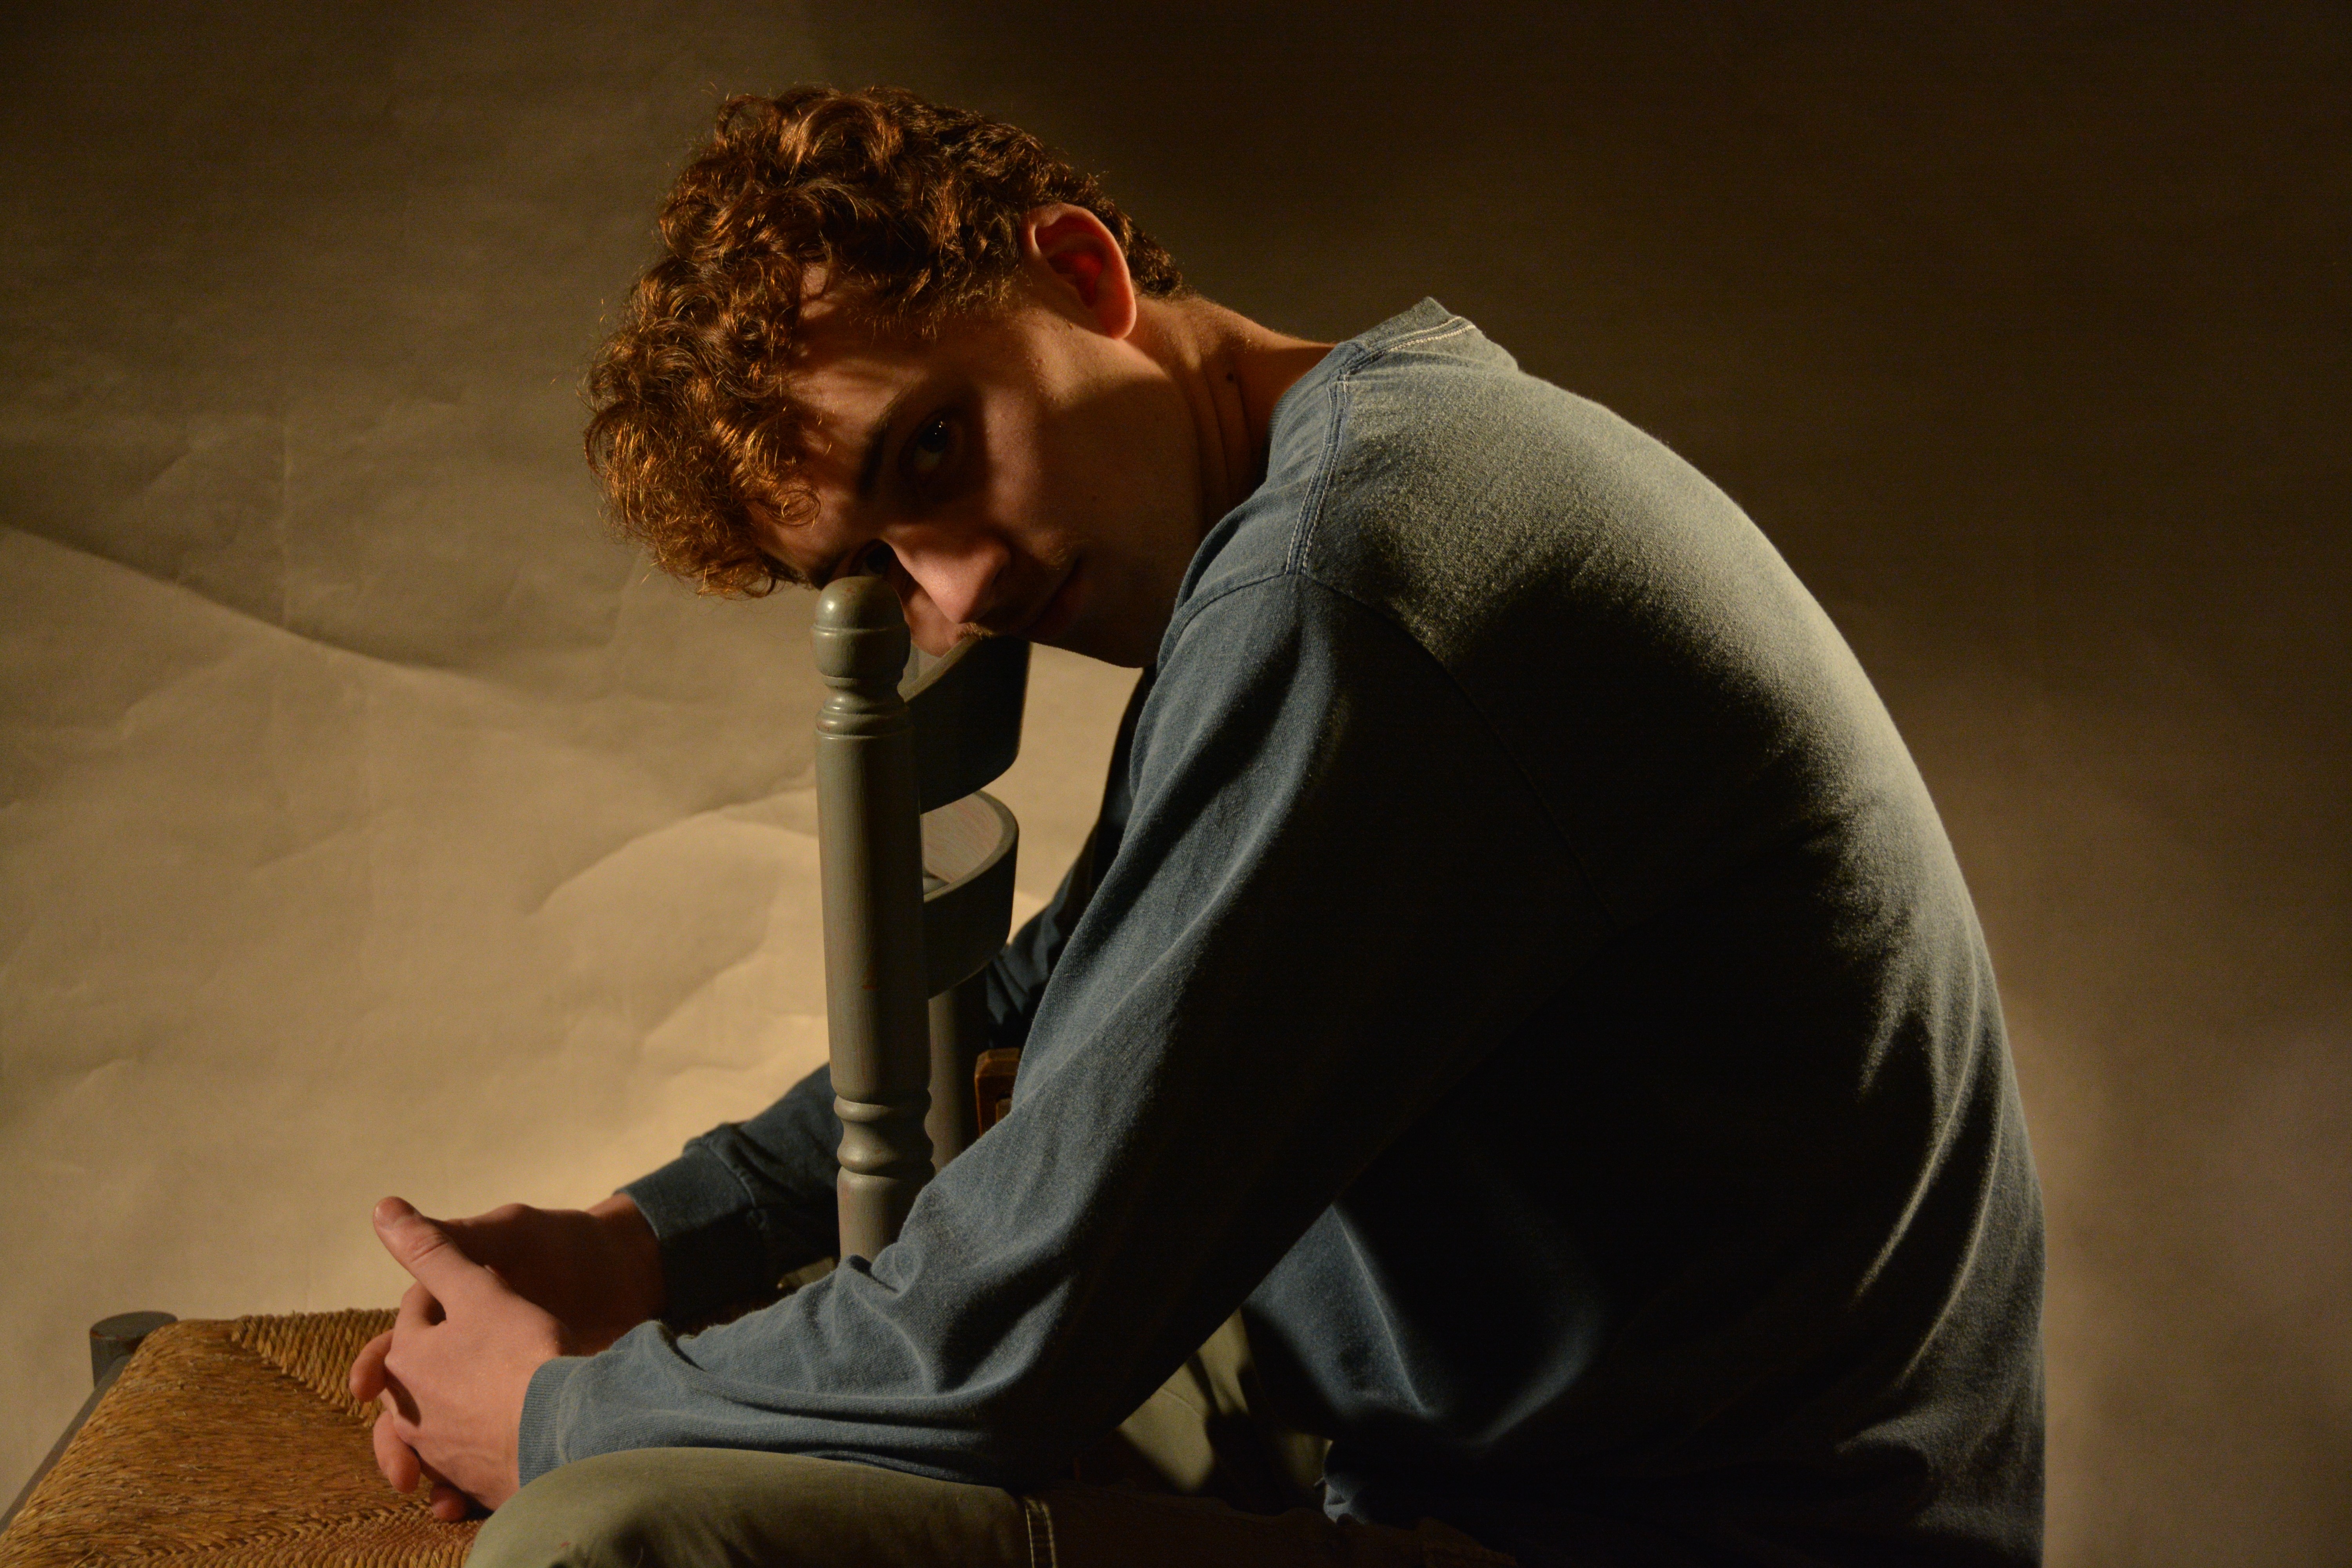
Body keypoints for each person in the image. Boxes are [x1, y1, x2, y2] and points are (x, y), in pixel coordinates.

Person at [347, 85, 2045, 1568]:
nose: (966, 587)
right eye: (878, 564)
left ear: (1081, 274)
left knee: (613, 1539)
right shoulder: (1361, 466)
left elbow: (1003, 1342)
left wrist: (559, 1418)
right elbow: (1060, 989)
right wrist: (645, 1237)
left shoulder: (1356, 572)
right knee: (736, 1418)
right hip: (1476, 1408)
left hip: (1667, 1535)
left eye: (937, 448)